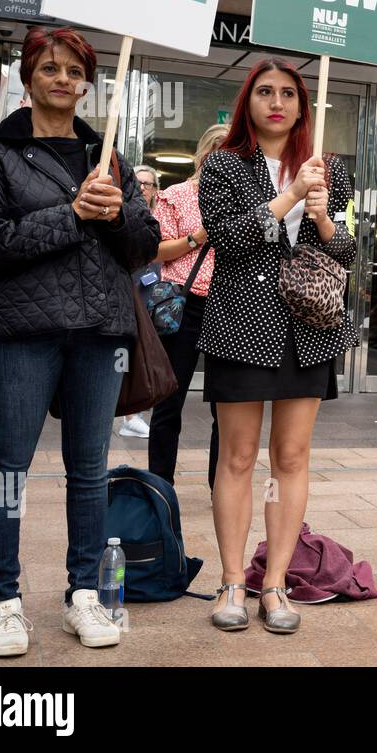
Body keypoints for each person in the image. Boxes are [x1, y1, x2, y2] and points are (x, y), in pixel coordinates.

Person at [0, 26, 159, 657]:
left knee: (89, 471)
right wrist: (71, 215)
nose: (64, 80)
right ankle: (3, 603)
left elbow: (144, 245)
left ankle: (83, 594)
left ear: (87, 84)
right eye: (51, 68)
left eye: (75, 72)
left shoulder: (106, 156)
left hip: (99, 332)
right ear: (28, 76)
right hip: (22, 331)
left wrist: (117, 211)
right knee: (5, 470)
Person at [197, 58, 357, 634]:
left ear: (302, 105)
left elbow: (346, 257)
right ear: (249, 101)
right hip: (241, 324)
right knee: (238, 458)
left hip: (307, 331)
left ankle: (276, 584)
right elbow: (230, 241)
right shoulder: (223, 166)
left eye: (288, 93)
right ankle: (232, 580)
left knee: (290, 458)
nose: (277, 102)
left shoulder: (331, 171)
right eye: (265, 91)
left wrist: (324, 222)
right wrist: (290, 196)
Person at [147, 125, 226, 489]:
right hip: (184, 301)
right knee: (170, 400)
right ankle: (160, 485)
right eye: (216, 150)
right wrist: (200, 235)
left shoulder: (241, 200)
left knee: (225, 406)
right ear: (202, 153)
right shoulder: (176, 195)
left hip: (228, 305)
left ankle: (221, 486)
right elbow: (157, 250)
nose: (222, 159)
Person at [118, 164, 163, 440]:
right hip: (129, 285)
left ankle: (138, 412)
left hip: (156, 290)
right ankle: (129, 416)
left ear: (155, 190)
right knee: (129, 349)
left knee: (149, 350)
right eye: (139, 182)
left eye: (148, 184)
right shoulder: (123, 215)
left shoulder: (159, 216)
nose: (143, 187)